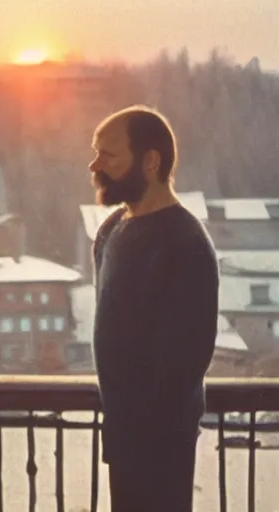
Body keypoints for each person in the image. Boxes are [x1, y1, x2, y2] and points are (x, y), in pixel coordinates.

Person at [89, 105, 220, 511]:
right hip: (123, 439)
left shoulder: (186, 244)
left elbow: (188, 358)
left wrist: (144, 433)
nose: (95, 165)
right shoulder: (111, 229)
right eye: (96, 152)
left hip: (162, 448)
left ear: (150, 162)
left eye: (108, 155)